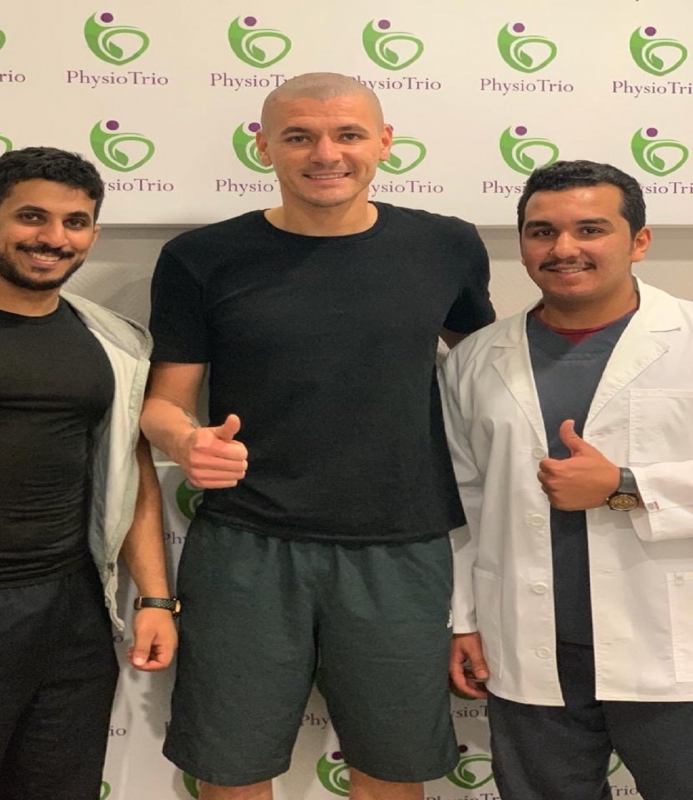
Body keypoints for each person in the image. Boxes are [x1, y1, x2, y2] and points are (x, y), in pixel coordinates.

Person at [141, 72, 495, 800]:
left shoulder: (446, 246)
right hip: (246, 545)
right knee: (231, 768)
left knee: (393, 771)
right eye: (299, 136)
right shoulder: (200, 256)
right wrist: (185, 442)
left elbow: (490, 377)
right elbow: (164, 404)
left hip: (401, 546)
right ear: (263, 145)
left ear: (384, 143)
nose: (325, 154)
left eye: (348, 135)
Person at [0, 146, 178, 800]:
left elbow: (130, 471)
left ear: (93, 235)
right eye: (31, 217)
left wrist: (156, 599)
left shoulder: (117, 342)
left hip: (72, 617)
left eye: (75, 222)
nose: (53, 238)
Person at [441, 160, 693, 800]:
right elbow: (463, 503)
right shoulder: (473, 360)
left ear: (639, 240)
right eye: (542, 231)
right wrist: (463, 618)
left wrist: (624, 484)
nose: (563, 248)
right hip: (528, 648)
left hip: (673, 645)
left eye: (590, 229)